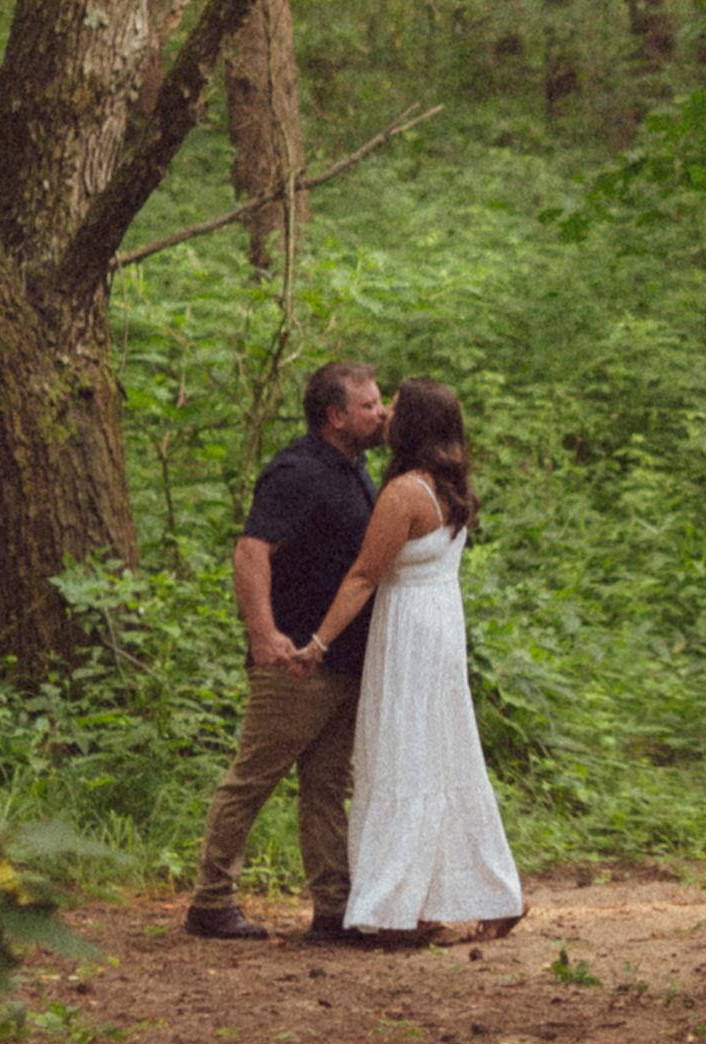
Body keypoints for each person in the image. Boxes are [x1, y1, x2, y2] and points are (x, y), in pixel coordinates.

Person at [294, 377, 524, 942]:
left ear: (415, 423)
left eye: (394, 406)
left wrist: (318, 642)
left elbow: (364, 575)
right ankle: (482, 894)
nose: (385, 414)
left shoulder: (404, 493)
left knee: (403, 755)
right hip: (438, 623)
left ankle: (396, 906)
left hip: (409, 631)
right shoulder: (451, 487)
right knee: (440, 755)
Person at [182, 361, 388, 943]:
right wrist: (264, 634)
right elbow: (251, 551)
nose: (381, 413)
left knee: (326, 787)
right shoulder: (297, 470)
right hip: (296, 662)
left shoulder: (355, 470)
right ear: (336, 416)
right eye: (370, 405)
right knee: (253, 778)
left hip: (343, 659)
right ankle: (211, 902)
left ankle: (333, 910)